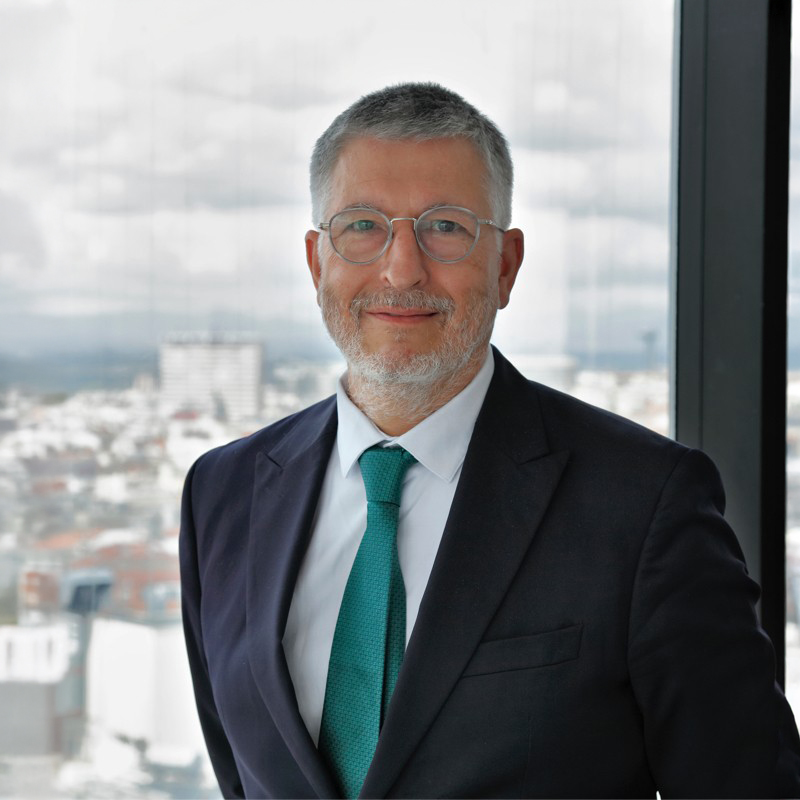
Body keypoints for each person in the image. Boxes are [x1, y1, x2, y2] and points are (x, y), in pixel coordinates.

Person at [180, 83, 800, 799]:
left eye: (445, 227)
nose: (402, 269)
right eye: (363, 226)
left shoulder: (644, 504)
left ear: (505, 265)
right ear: (318, 262)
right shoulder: (221, 494)